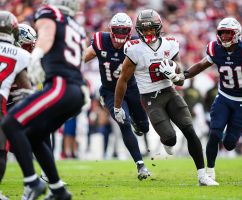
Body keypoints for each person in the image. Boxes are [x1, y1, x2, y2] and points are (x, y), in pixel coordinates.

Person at [114, 9, 218, 186]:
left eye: (151, 29)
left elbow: (179, 68)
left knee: (189, 129)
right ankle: (166, 141)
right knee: (170, 139)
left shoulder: (169, 44)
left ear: (158, 28)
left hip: (169, 92)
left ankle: (202, 175)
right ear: (138, 30)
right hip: (150, 98)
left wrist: (174, 70)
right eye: (144, 30)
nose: (148, 33)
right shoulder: (134, 49)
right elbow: (123, 79)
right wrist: (117, 107)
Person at [1, 0, 89, 199]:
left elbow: (47, 37)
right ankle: (58, 190)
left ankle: (32, 182)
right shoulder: (76, 26)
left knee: (10, 123)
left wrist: (36, 56)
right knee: (34, 135)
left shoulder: (51, 14)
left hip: (60, 85)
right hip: (75, 90)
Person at [184, 17, 242, 181]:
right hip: (223, 97)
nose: (224, 36)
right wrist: (182, 75)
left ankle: (227, 143)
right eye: (222, 33)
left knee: (230, 144)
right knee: (215, 133)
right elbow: (200, 65)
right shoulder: (215, 49)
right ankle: (209, 172)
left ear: (237, 34)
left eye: (228, 33)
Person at [84, 12, 150, 180]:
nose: (120, 34)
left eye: (124, 30)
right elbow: (85, 56)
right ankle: (140, 165)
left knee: (144, 128)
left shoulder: (135, 44)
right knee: (124, 123)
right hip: (110, 91)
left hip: (131, 89)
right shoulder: (101, 41)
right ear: (111, 30)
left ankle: (138, 123)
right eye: (117, 30)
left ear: (129, 32)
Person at [0, 12, 33, 199]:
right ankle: (34, 180)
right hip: (2, 104)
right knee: (1, 152)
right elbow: (28, 89)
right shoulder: (20, 54)